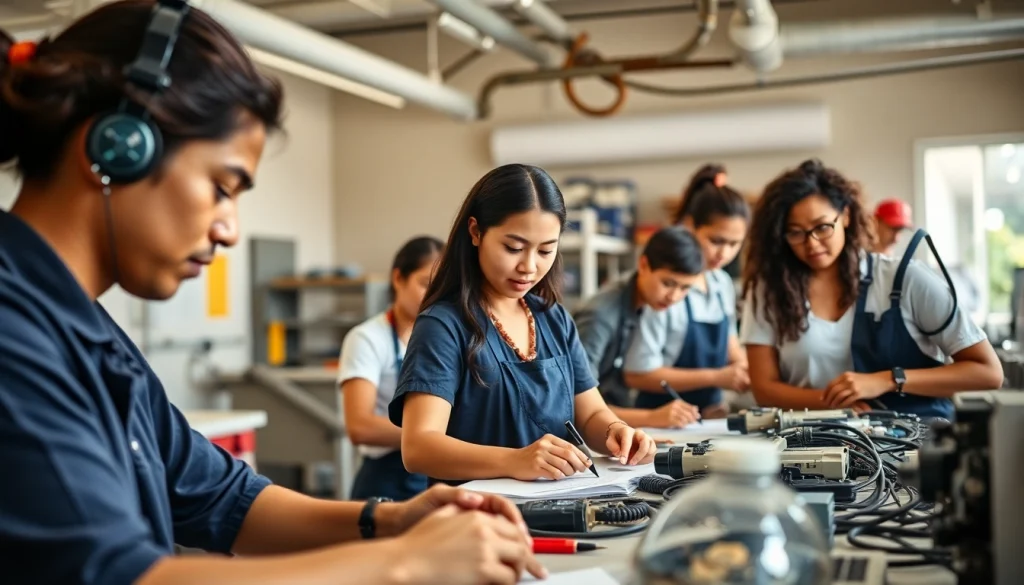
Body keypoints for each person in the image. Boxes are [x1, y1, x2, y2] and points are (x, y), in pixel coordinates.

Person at [0, 3, 543, 585]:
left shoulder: (90, 332)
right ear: (116, 147)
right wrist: (406, 563)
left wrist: (391, 523)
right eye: (220, 186)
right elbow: (115, 575)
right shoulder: (14, 330)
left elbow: (222, 497)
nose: (229, 229)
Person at [389, 164, 658, 482]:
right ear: (475, 232)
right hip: (477, 519)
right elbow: (420, 448)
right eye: (513, 248)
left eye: (546, 250)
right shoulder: (443, 326)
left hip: (558, 506)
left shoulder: (553, 318)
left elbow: (592, 414)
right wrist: (515, 460)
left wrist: (618, 432)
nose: (528, 267)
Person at [739, 159, 1003, 420]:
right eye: (795, 233)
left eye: (822, 227)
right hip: (815, 445)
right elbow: (765, 389)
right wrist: (833, 404)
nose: (812, 243)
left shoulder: (907, 279)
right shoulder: (768, 291)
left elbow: (988, 372)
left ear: (845, 215)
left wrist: (889, 380)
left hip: (917, 446)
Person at [623, 173, 752, 419]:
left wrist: (744, 370)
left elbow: (730, 345)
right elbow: (637, 373)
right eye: (716, 240)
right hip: (660, 418)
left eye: (735, 244)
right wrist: (716, 377)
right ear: (691, 226)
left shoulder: (722, 283)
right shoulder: (665, 292)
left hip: (709, 415)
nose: (724, 253)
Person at [340, 236, 443, 501]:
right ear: (398, 279)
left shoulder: (444, 340)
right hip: (385, 482)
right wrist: (429, 437)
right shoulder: (367, 338)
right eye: (425, 284)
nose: (435, 295)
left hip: (435, 476)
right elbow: (359, 426)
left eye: (442, 286)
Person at [574, 227, 704, 429]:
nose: (674, 296)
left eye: (685, 287)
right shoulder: (601, 316)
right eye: (668, 283)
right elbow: (576, 404)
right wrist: (652, 418)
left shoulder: (645, 302)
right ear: (643, 264)